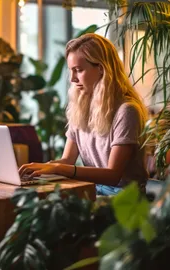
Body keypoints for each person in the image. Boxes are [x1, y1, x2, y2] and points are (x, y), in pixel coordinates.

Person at [19, 33, 149, 195]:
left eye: (78, 70)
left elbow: (113, 175)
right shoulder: (80, 107)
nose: (73, 79)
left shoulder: (127, 110)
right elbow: (67, 160)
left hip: (123, 198)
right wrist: (40, 169)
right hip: (93, 190)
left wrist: (59, 168)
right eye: (71, 71)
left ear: (101, 69)